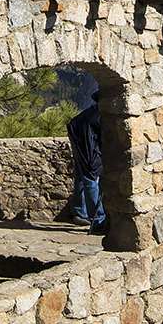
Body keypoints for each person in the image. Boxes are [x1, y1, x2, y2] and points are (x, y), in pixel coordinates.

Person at [65, 90, 107, 234]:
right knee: (91, 175)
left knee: (81, 172)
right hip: (84, 138)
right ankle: (98, 221)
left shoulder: (96, 111)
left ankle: (80, 212)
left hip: (76, 131)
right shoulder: (104, 114)